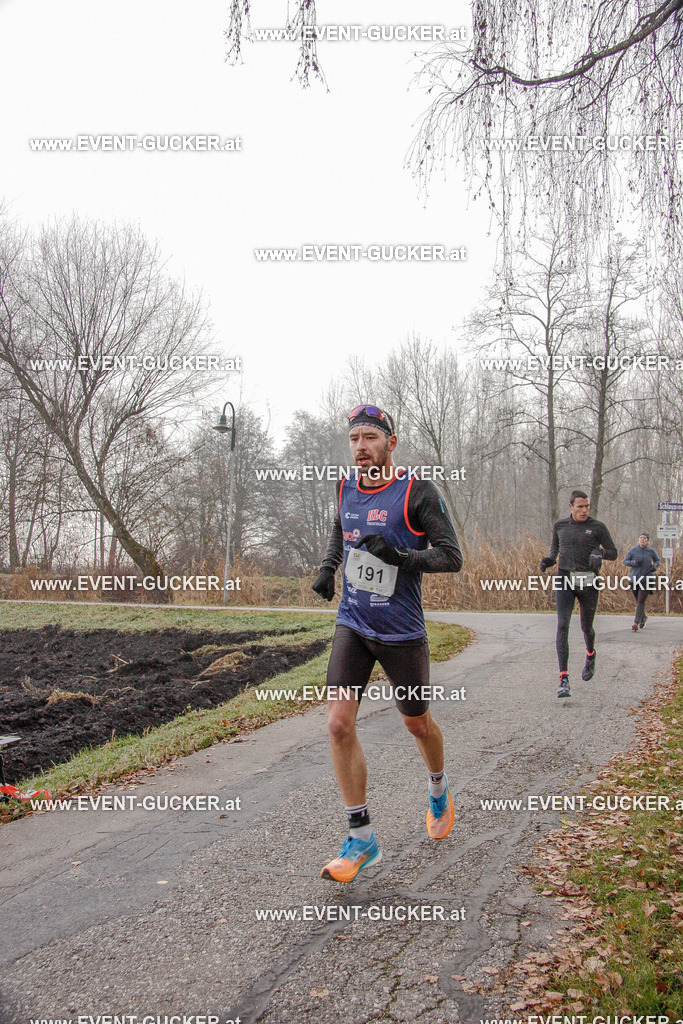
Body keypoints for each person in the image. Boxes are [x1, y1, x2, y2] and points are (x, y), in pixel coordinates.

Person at [311, 404, 463, 882]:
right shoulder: (344, 487)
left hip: (401, 631)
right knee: (337, 724)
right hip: (354, 622)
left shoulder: (417, 491)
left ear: (390, 443)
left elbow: (451, 557)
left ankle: (438, 789)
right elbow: (341, 528)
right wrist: (327, 568)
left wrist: (398, 556)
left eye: (370, 439)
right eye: (354, 439)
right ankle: (361, 838)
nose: (361, 448)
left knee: (418, 725)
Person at [540, 490, 617, 699]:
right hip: (565, 577)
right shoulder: (560, 526)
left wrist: (599, 553)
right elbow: (554, 552)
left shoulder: (597, 527)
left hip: (589, 581)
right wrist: (548, 561)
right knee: (562, 625)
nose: (584, 510)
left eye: (587, 507)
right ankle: (563, 680)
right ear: (571, 506)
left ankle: (591, 654)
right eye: (580, 506)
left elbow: (614, 552)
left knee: (586, 627)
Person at [624, 532, 660, 631]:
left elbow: (657, 560)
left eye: (644, 538)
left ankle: (636, 622)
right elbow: (625, 561)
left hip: (647, 578)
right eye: (641, 538)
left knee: (641, 600)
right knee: (638, 600)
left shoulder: (651, 551)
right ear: (638, 540)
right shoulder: (633, 550)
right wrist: (634, 563)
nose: (642, 540)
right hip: (635, 578)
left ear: (647, 540)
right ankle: (643, 616)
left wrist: (654, 567)